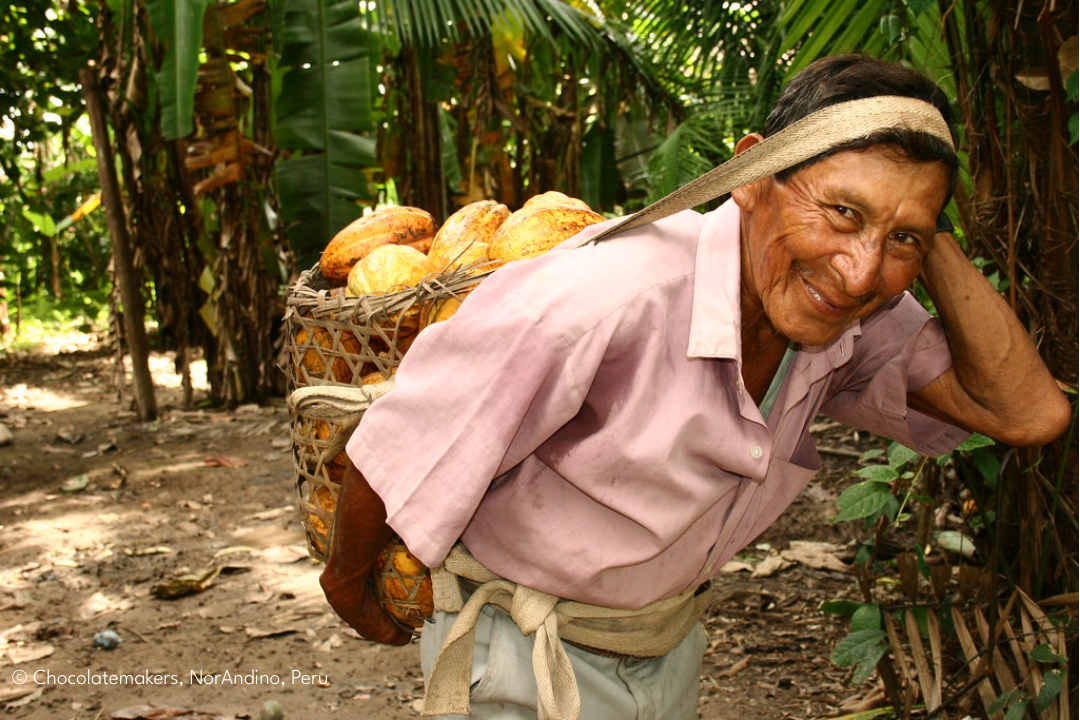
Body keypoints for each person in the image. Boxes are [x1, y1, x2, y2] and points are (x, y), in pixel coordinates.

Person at [318, 54, 1071, 719]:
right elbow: (400, 443)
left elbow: (1027, 413)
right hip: (519, 659)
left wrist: (922, 224)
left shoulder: (846, 314)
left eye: (900, 239)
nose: (859, 270)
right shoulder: (605, 298)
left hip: (664, 647)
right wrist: (353, 589)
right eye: (842, 212)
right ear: (752, 177)